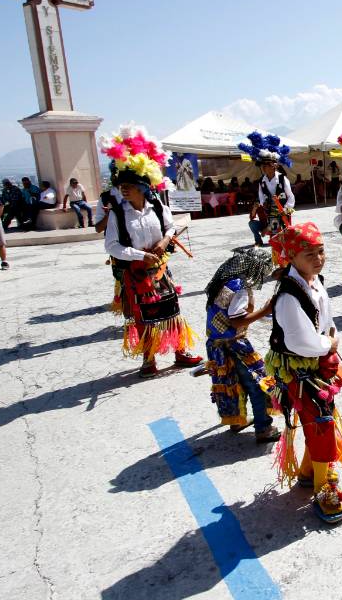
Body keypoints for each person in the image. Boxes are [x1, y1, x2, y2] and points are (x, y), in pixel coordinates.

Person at [265, 222, 342, 524]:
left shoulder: (315, 281)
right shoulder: (288, 296)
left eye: (321, 251)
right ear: (291, 257)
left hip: (317, 364)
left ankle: (310, 471)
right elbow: (299, 341)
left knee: (320, 419)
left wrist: (331, 336)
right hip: (300, 370)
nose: (318, 258)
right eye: (309, 254)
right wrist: (328, 344)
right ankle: (323, 488)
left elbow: (326, 320)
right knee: (321, 422)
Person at [100, 124, 201, 377]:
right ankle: (148, 358)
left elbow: (170, 227)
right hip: (136, 273)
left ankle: (180, 351)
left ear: (143, 187)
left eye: (130, 184)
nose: (124, 188)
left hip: (160, 269)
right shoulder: (118, 214)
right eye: (122, 184)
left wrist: (165, 241)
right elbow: (111, 246)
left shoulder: (157, 207)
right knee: (142, 315)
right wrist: (140, 255)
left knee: (172, 309)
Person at [204, 246, 281, 441]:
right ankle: (263, 428)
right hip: (234, 345)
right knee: (257, 383)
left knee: (231, 382)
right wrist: (266, 310)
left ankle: (236, 420)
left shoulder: (226, 282)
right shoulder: (241, 288)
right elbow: (236, 321)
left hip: (216, 344)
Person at [240, 130, 295, 240]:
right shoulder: (262, 181)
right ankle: (269, 234)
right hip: (270, 210)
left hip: (283, 209)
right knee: (274, 237)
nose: (264, 167)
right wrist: (261, 204)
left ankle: (271, 232)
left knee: (285, 234)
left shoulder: (282, 179)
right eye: (263, 165)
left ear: (274, 166)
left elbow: (291, 197)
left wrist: (286, 209)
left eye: (267, 165)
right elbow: (261, 197)